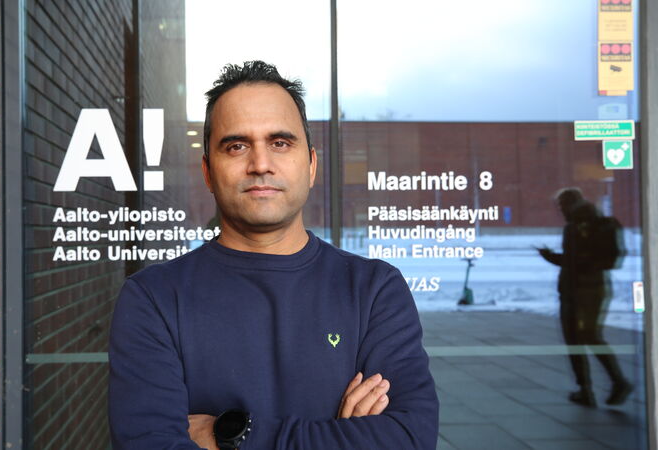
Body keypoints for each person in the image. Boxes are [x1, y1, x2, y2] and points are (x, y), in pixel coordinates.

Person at [108, 61, 438, 449]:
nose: (260, 164)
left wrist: (231, 435)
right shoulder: (153, 298)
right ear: (208, 172)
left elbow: (407, 439)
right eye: (237, 146)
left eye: (280, 143)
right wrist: (343, 437)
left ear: (311, 165)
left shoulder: (374, 289)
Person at [537, 187, 632, 408]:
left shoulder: (575, 226)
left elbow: (574, 263)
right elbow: (577, 260)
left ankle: (589, 389)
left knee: (578, 340)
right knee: (590, 337)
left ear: (568, 204)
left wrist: (552, 257)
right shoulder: (594, 222)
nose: (560, 210)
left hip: (576, 292)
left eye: (560, 205)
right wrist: (551, 256)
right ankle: (611, 383)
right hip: (594, 288)